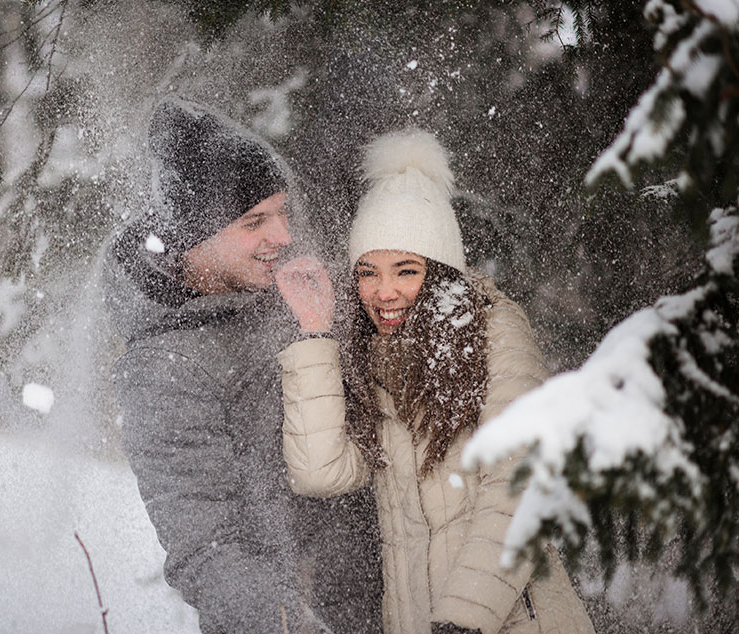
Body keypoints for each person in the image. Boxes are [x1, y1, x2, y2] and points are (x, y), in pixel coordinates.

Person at [275, 129, 595, 634]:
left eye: (406, 270)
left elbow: (522, 488)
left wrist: (462, 619)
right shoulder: (372, 358)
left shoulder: (494, 332)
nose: (385, 292)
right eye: (367, 271)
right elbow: (321, 471)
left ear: (441, 271)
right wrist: (315, 332)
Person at [108, 97, 383, 634]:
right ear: (195, 236)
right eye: (255, 221)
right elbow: (205, 550)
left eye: (281, 213)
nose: (281, 235)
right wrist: (291, 624)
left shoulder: (286, 293)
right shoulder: (162, 366)